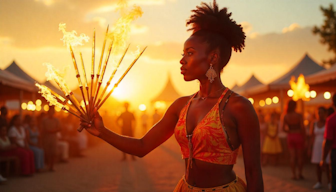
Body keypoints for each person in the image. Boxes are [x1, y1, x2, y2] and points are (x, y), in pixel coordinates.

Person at [81, 1, 263, 191]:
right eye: (183, 53)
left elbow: (253, 173)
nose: (182, 60)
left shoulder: (238, 107)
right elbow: (142, 146)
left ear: (213, 58)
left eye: (190, 53)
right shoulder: (180, 106)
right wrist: (102, 131)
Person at [282, 100, 306, 180]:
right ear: (295, 106)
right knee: (300, 157)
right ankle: (300, 173)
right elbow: (302, 127)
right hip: (298, 135)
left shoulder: (286, 116)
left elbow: (283, 129)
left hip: (290, 136)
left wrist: (290, 131)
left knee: (292, 157)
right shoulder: (299, 115)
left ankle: (293, 174)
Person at [309, 107, 330, 189]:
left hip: (326, 144)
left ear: (325, 114)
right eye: (318, 113)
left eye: (321, 113)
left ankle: (329, 181)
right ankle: (319, 181)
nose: (319, 115)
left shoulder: (327, 122)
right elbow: (311, 136)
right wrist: (309, 148)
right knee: (317, 164)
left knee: (327, 164)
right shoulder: (314, 123)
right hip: (317, 145)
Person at [321, 93, 336, 192]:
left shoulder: (331, 119)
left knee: (334, 179)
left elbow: (328, 141)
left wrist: (323, 159)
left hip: (335, 152)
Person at [41, 106, 61, 171]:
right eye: (50, 112)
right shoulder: (44, 120)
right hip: (46, 137)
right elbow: (42, 129)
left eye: (52, 112)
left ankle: (52, 166)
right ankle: (48, 165)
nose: (51, 113)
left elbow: (60, 128)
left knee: (53, 152)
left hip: (54, 137)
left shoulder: (56, 120)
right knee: (47, 152)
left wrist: (53, 131)